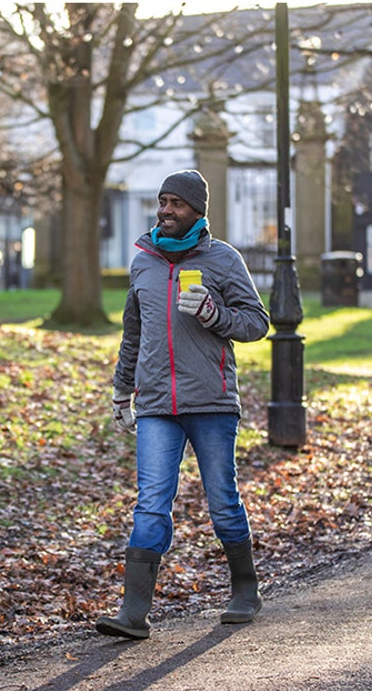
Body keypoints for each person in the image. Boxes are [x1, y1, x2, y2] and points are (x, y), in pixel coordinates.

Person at [99, 169, 271, 640]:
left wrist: (215, 316)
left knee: (222, 499)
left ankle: (245, 589)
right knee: (151, 502)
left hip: (211, 401)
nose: (166, 210)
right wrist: (121, 390)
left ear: (197, 210)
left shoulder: (223, 260)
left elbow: (257, 323)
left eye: (176, 203)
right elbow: (132, 333)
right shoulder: (144, 262)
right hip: (156, 403)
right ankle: (134, 613)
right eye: (162, 201)